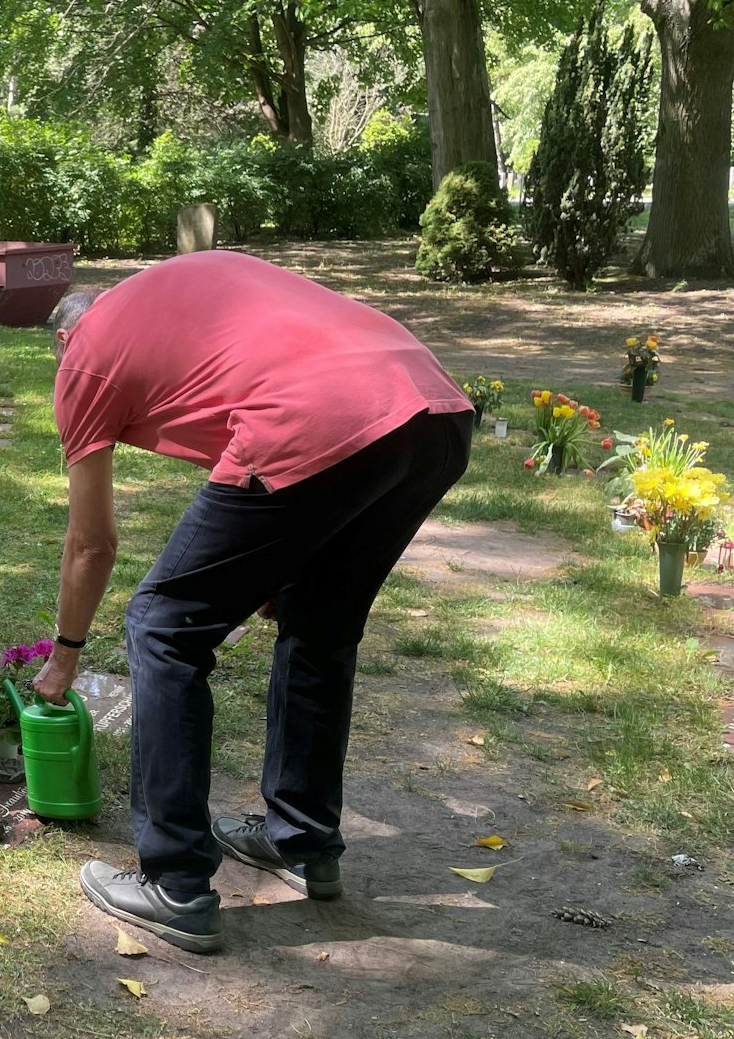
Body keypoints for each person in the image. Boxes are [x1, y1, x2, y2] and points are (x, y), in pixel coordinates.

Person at [32, 250, 472, 953]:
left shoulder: (84, 357)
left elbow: (92, 544)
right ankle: (302, 840)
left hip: (322, 414)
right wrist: (271, 569)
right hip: (435, 410)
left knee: (163, 626)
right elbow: (262, 467)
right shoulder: (173, 304)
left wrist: (65, 656)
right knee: (319, 624)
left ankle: (174, 882)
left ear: (62, 339)